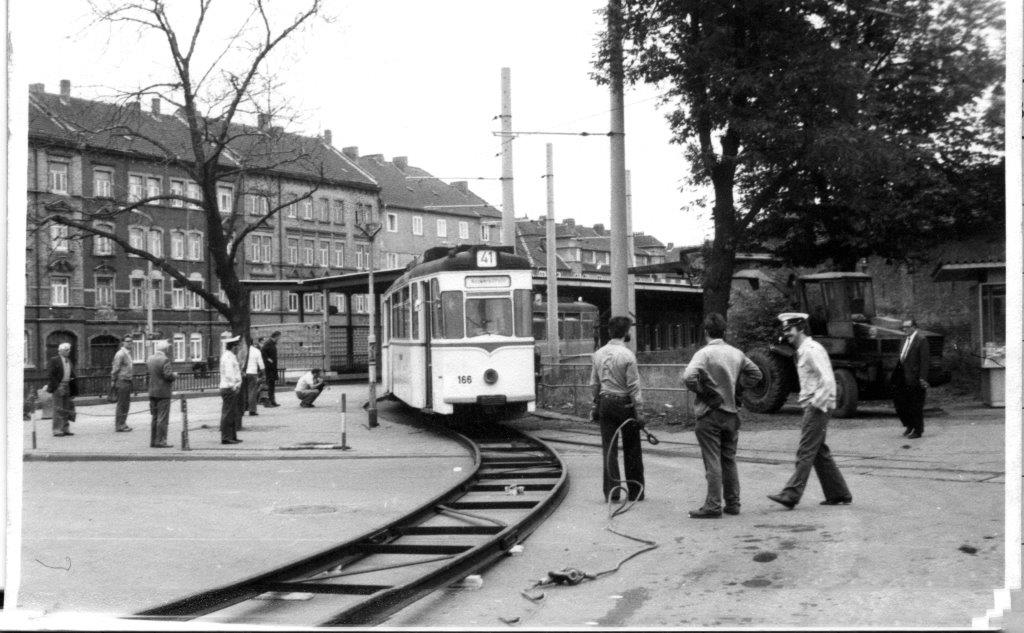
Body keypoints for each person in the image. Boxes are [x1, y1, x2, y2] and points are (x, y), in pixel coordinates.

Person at [768, 313, 852, 509]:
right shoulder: (804, 350)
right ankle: (839, 493)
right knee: (819, 452)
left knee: (805, 451)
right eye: (785, 330)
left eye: (790, 330)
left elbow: (828, 380)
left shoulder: (812, 350)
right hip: (815, 405)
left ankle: (791, 494)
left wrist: (816, 404)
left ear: (801, 328)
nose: (786, 334)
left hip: (816, 407)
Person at [682, 313, 763, 518]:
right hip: (732, 414)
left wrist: (707, 393)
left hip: (710, 413)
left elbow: (688, 377)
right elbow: (757, 374)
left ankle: (713, 505)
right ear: (724, 331)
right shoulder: (736, 353)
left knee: (712, 461)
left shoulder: (704, 354)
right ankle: (733, 503)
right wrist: (738, 390)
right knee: (729, 459)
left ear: (706, 332)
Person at [589, 315, 645, 502]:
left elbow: (594, 384)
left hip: (605, 403)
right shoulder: (628, 355)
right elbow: (634, 387)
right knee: (632, 447)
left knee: (609, 448)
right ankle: (636, 491)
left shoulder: (598, 354)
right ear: (627, 333)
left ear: (609, 332)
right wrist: (640, 412)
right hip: (625, 405)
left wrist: (595, 405)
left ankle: (612, 492)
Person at [891, 318, 930, 439]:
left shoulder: (921, 340)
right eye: (904, 327)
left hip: (915, 377)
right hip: (903, 376)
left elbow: (925, 361)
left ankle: (918, 430)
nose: (905, 329)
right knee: (901, 402)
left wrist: (923, 378)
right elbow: (901, 358)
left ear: (914, 327)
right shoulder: (903, 340)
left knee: (915, 404)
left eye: (907, 327)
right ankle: (909, 424)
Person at [146, 340, 177, 448]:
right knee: (162, 418)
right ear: (166, 349)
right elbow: (168, 375)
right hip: (163, 392)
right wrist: (174, 375)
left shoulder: (150, 359)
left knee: (154, 417)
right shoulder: (165, 360)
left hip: (152, 392)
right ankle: (161, 441)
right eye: (168, 348)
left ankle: (153, 441)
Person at [46, 342, 78, 437]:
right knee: (58, 408)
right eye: (66, 350)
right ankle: (57, 430)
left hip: (67, 385)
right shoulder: (54, 360)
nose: (68, 351)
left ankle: (65, 428)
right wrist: (57, 386)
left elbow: (72, 375)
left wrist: (74, 388)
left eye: (69, 350)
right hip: (58, 386)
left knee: (66, 408)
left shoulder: (69, 360)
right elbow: (51, 375)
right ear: (60, 351)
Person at [219, 333, 243, 444]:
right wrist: (235, 385)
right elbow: (229, 374)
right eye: (237, 346)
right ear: (233, 346)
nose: (238, 348)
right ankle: (226, 437)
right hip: (229, 387)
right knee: (228, 413)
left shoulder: (229, 356)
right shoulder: (228, 357)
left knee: (232, 412)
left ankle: (232, 436)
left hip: (230, 387)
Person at [110, 335, 134, 432]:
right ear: (123, 342)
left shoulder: (128, 353)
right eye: (127, 341)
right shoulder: (120, 354)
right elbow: (115, 368)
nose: (130, 343)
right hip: (122, 380)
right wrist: (113, 380)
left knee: (126, 404)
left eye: (131, 341)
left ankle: (123, 423)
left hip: (127, 380)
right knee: (122, 404)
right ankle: (119, 425)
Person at [244, 337, 265, 416]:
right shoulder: (256, 351)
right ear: (252, 342)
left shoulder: (243, 351)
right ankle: (252, 410)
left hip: (244, 373)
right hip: (252, 373)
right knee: (252, 392)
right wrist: (263, 374)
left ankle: (243, 408)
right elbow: (261, 364)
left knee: (244, 391)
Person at [262, 331, 281, 407]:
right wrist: (267, 359)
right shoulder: (268, 343)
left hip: (273, 368)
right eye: (279, 337)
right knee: (269, 385)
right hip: (269, 368)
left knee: (272, 385)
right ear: (276, 336)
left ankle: (273, 401)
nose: (279, 338)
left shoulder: (272, 343)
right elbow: (263, 351)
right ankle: (269, 401)